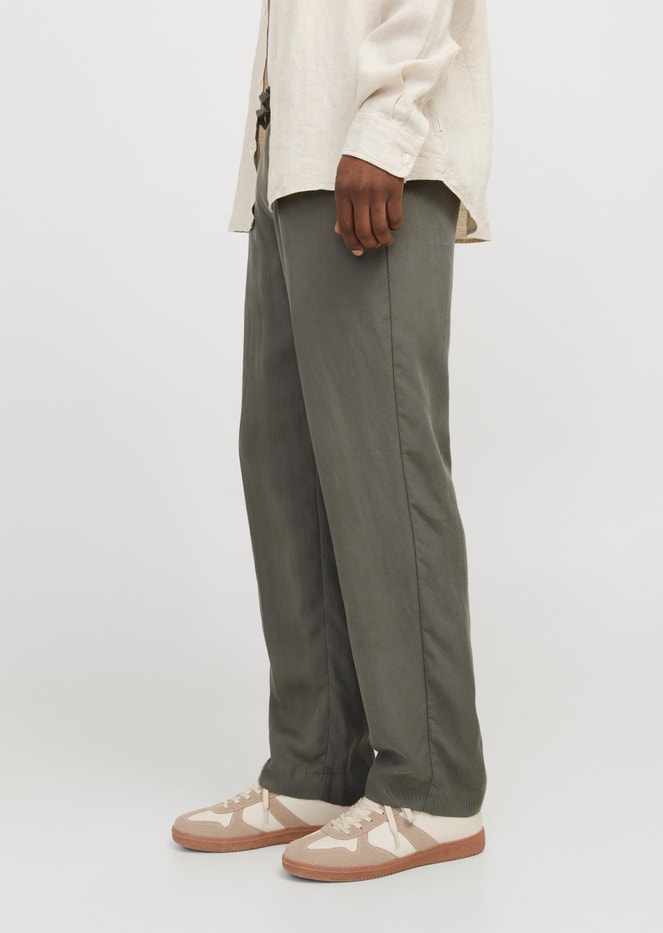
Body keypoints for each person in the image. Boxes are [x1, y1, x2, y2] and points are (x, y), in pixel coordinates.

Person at [172, 0, 493, 882]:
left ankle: (432, 784)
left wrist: (386, 126)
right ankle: (314, 764)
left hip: (371, 148)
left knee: (383, 465)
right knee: (286, 464)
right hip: (294, 147)